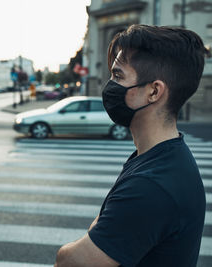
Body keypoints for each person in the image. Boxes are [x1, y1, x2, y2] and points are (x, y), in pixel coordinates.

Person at [55, 25, 207, 267]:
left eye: (118, 76)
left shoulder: (152, 186)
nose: (110, 86)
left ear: (154, 91)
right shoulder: (162, 157)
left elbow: (68, 263)